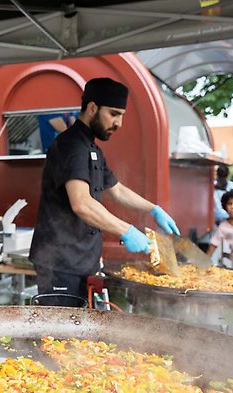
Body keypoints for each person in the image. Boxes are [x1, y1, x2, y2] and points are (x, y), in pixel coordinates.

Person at [29, 77, 180, 299]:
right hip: (60, 263)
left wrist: (153, 209)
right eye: (114, 114)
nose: (119, 123)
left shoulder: (91, 148)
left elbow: (116, 190)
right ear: (92, 108)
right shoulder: (71, 146)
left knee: (80, 330)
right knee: (62, 332)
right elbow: (81, 203)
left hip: (81, 260)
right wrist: (125, 230)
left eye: (121, 115)